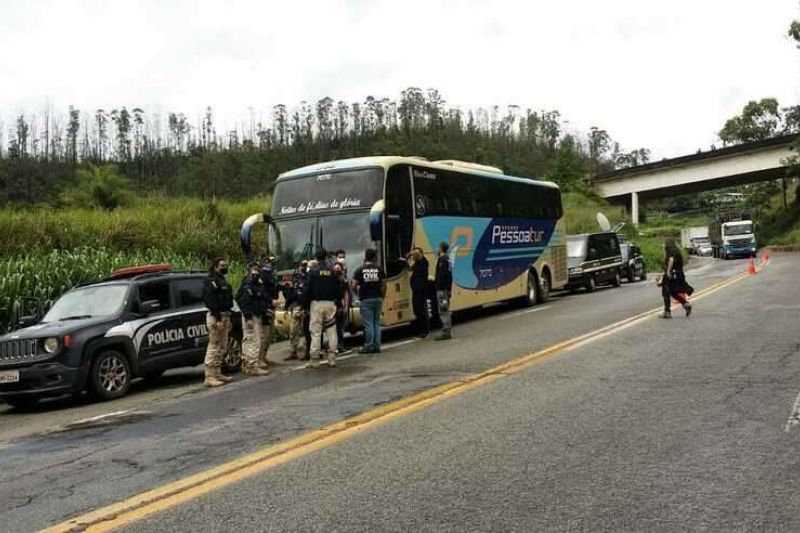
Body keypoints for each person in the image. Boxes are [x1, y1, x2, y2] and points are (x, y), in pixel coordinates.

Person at [306, 250, 345, 368]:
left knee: (316, 332)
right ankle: (332, 358)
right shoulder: (333, 271)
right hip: (330, 304)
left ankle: (314, 360)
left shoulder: (313, 271)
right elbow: (339, 288)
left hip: (316, 304)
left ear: (316, 258)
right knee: (332, 331)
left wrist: (304, 305)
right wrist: (339, 304)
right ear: (326, 257)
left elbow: (307, 289)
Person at [202, 258, 235, 387]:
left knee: (222, 347)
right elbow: (211, 301)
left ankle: (217, 372)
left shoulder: (222, 281)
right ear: (215, 267)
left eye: (226, 265)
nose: (224, 267)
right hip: (216, 317)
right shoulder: (211, 281)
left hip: (225, 315)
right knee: (214, 346)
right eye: (222, 265)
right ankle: (209, 376)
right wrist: (218, 319)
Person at [236, 262, 271, 376]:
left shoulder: (257, 285)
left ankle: (248, 365)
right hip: (251, 317)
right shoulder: (248, 285)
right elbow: (244, 301)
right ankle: (252, 366)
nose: (256, 274)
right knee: (253, 341)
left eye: (257, 271)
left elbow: (263, 298)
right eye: (253, 272)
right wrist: (248, 317)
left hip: (257, 315)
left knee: (251, 340)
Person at [352, 248, 387, 354]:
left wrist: (357, 294)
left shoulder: (360, 270)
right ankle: (377, 346)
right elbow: (384, 285)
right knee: (376, 323)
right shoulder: (380, 269)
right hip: (378, 298)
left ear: (365, 257)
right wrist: (382, 296)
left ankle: (369, 346)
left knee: (368, 324)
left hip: (366, 299)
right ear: (374, 258)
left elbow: (353, 285)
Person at [660, 237, 694, 319]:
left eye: (665, 243)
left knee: (665, 291)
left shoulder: (670, 251)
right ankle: (685, 304)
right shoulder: (677, 251)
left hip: (672, 274)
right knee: (672, 291)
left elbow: (671, 259)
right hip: (679, 274)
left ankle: (667, 312)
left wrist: (668, 271)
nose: (664, 245)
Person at [283, 260, 308, 361]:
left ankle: (310, 351)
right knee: (293, 331)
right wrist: (286, 306)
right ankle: (294, 351)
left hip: (306, 308)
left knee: (308, 331)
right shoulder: (297, 281)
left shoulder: (310, 278)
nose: (303, 268)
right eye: (302, 266)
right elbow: (291, 295)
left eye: (305, 266)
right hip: (296, 307)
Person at [257, 258, 279, 370]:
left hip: (272, 306)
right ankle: (259, 358)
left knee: (269, 334)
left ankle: (264, 356)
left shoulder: (272, 275)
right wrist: (270, 301)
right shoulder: (263, 275)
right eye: (270, 263)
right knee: (264, 335)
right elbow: (262, 292)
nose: (271, 265)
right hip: (265, 307)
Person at [406, 247, 430, 338]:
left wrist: (411, 253)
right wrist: (406, 261)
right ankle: (420, 330)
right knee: (416, 310)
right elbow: (410, 269)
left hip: (420, 289)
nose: (413, 256)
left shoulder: (424, 262)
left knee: (421, 310)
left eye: (414, 255)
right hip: (415, 290)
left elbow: (419, 254)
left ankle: (424, 331)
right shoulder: (417, 263)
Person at [434, 242, 453, 340]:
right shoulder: (448, 259)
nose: (436, 249)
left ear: (441, 249)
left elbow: (442, 276)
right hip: (445, 289)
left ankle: (446, 332)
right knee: (445, 309)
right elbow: (450, 276)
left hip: (442, 290)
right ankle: (447, 330)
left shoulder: (443, 260)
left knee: (443, 310)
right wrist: (449, 289)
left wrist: (441, 289)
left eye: (438, 247)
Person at [332, 262, 351, 355]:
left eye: (338, 270)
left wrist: (346, 305)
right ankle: (339, 345)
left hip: (340, 305)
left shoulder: (343, 280)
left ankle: (339, 345)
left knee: (340, 327)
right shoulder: (335, 280)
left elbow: (346, 293)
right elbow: (341, 294)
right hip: (336, 306)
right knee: (337, 328)